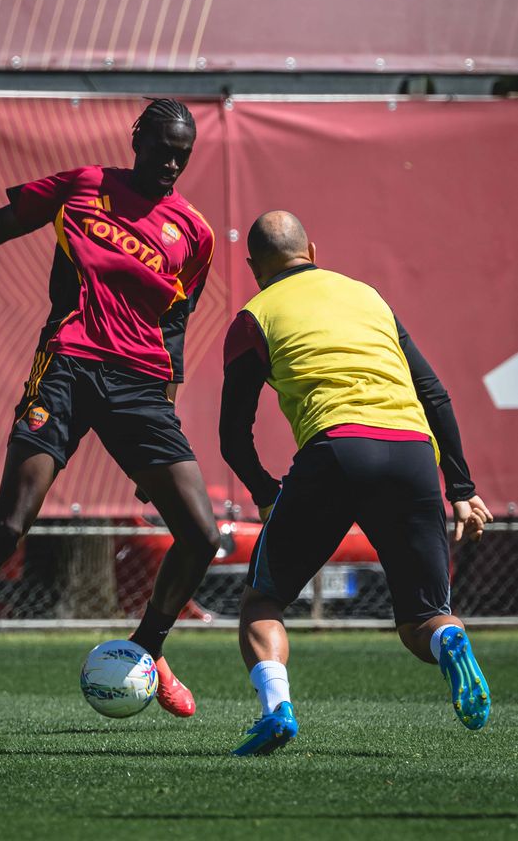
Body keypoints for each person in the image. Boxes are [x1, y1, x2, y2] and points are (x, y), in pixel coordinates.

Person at [0, 98, 221, 737]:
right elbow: (2, 223)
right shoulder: (86, 186)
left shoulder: (194, 232)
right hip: (67, 368)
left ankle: (147, 649)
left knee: (201, 532)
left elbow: (174, 327)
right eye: (164, 148)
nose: (172, 162)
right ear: (137, 141)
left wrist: (164, 415)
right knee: (9, 524)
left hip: (140, 387)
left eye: (183, 154)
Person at [219, 210, 493, 757]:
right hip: (413, 453)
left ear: (253, 267)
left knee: (263, 602)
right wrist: (460, 487)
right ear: (313, 251)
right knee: (423, 619)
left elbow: (232, 433)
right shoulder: (368, 297)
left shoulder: (253, 317)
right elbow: (434, 393)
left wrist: (265, 492)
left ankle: (277, 712)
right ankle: (450, 641)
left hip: (336, 451)